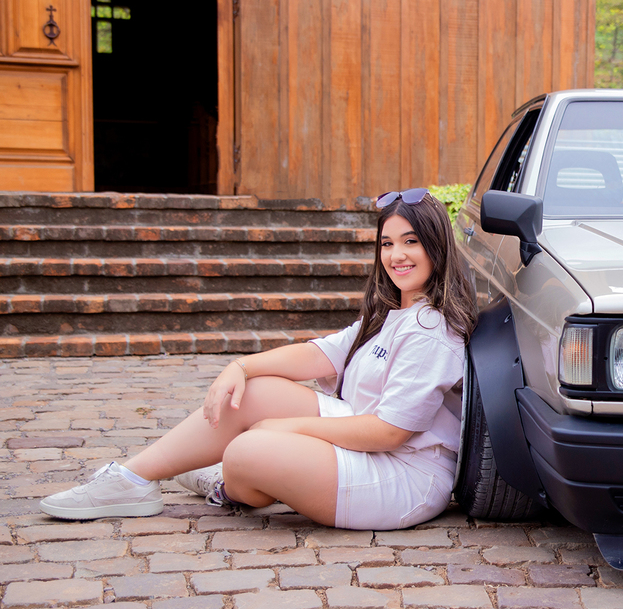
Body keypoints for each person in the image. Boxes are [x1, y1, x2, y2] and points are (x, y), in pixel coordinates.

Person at [39, 189, 477, 530]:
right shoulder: (392, 313)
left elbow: (388, 433)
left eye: (411, 242)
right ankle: (131, 480)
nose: (396, 255)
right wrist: (241, 367)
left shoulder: (431, 332)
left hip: (403, 479)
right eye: (387, 243)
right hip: (363, 435)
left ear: (436, 246)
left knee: (247, 451)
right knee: (253, 393)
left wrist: (289, 428)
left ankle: (229, 484)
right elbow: (317, 354)